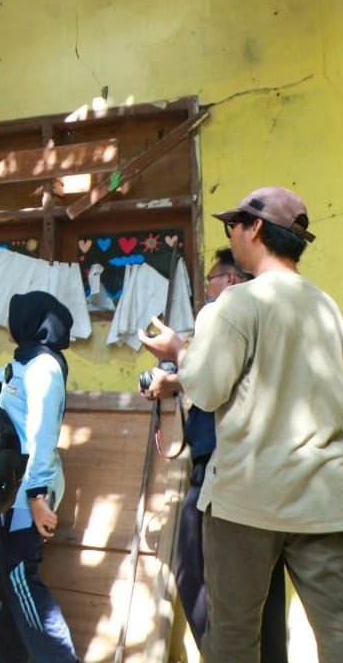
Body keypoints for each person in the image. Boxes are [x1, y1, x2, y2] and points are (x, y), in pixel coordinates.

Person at [140, 187, 343, 662]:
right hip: (326, 497)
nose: (231, 235)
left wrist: (178, 351)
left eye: (234, 226)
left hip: (248, 500)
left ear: (256, 229)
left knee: (234, 636)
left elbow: (206, 390)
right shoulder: (324, 304)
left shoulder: (237, 303)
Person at [144, 250, 289, 661]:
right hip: (262, 472)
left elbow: (213, 383)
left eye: (209, 279)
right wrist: (176, 381)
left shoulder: (228, 317)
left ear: (230, 280)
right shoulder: (268, 321)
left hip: (224, 471)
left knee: (195, 570)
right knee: (264, 591)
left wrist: (178, 353)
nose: (204, 289)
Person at [0, 291, 80, 663]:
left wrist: (37, 495)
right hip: (8, 491)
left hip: (29, 492)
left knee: (21, 581)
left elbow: (42, 434)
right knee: (3, 589)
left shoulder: (44, 368)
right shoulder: (20, 365)